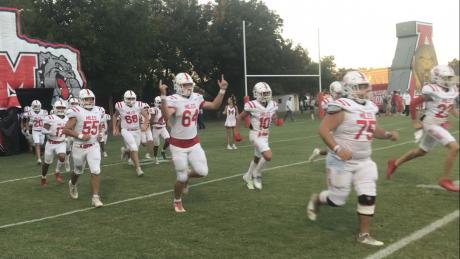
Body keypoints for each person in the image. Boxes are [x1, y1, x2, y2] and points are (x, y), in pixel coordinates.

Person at [307, 71, 399, 246]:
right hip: (341, 161)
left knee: (368, 196)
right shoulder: (341, 106)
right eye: (361, 87)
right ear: (350, 88)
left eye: (366, 86)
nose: (365, 90)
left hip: (364, 161)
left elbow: (371, 128)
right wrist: (337, 149)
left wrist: (387, 134)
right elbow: (323, 129)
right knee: (337, 200)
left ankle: (364, 235)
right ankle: (317, 200)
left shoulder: (370, 107)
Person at [159, 72, 228, 213]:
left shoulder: (196, 97)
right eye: (185, 85)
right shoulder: (174, 99)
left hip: (194, 142)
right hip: (177, 144)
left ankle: (188, 176)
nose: (188, 87)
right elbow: (166, 116)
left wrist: (222, 90)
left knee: (203, 172)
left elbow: (214, 105)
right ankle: (177, 201)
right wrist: (163, 97)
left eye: (190, 84)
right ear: (178, 86)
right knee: (181, 176)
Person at [386, 65, 459, 192]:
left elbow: (451, 108)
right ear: (437, 78)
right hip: (431, 123)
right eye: (446, 78)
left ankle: (395, 163)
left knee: (421, 151)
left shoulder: (451, 90)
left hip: (439, 124)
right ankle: (445, 179)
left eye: (449, 77)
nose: (448, 80)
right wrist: (415, 121)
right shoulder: (432, 90)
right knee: (454, 147)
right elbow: (414, 103)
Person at [63, 89, 103, 207]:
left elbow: (98, 125)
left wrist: (99, 134)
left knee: (95, 170)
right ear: (81, 100)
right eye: (86, 99)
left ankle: (95, 197)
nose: (89, 101)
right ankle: (73, 184)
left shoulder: (98, 111)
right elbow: (65, 129)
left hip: (93, 146)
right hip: (79, 146)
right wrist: (80, 135)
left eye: (91, 99)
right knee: (78, 170)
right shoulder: (76, 111)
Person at [238, 82, 279, 190]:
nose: (265, 95)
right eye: (263, 93)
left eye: (267, 93)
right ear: (256, 93)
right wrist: (236, 132)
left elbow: (273, 115)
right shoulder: (252, 105)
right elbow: (240, 117)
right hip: (255, 135)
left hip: (265, 135)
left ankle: (247, 176)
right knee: (268, 156)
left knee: (257, 157)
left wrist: (276, 121)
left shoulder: (273, 105)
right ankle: (257, 174)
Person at [112, 90, 149, 177]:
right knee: (134, 147)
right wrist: (115, 128)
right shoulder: (120, 106)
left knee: (133, 149)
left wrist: (144, 125)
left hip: (137, 130)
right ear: (124, 98)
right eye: (129, 98)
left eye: (132, 98)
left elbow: (146, 116)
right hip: (126, 130)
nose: (131, 100)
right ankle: (138, 169)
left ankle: (125, 151)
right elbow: (115, 116)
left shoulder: (139, 105)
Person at [308, 81, 343, 162]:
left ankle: (318, 152)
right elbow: (326, 113)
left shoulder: (342, 100)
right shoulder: (327, 101)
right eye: (337, 93)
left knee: (333, 148)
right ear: (332, 91)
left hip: (340, 126)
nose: (339, 95)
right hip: (332, 127)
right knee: (335, 148)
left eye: (340, 93)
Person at [40, 100, 68, 186]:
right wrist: (50, 132)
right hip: (51, 143)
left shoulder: (68, 118)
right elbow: (43, 130)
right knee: (47, 163)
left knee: (62, 157)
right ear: (54, 108)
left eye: (62, 108)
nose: (61, 109)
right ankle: (43, 177)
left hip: (61, 142)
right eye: (59, 107)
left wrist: (67, 136)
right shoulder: (50, 118)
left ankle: (57, 171)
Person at [26, 100, 48, 164]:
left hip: (42, 130)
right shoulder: (30, 113)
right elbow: (27, 121)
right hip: (35, 130)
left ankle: (37, 150)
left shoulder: (44, 112)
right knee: (37, 143)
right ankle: (39, 159)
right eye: (35, 106)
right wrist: (27, 129)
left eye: (37, 106)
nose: (36, 107)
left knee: (41, 143)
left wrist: (46, 129)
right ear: (32, 106)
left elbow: (47, 121)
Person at [150, 96, 171, 164]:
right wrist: (157, 122)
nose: (161, 104)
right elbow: (151, 122)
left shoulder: (165, 109)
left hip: (163, 128)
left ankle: (163, 151)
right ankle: (155, 157)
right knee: (156, 145)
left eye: (162, 103)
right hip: (156, 129)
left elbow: (166, 118)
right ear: (156, 103)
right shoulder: (154, 110)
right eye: (159, 103)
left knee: (168, 140)